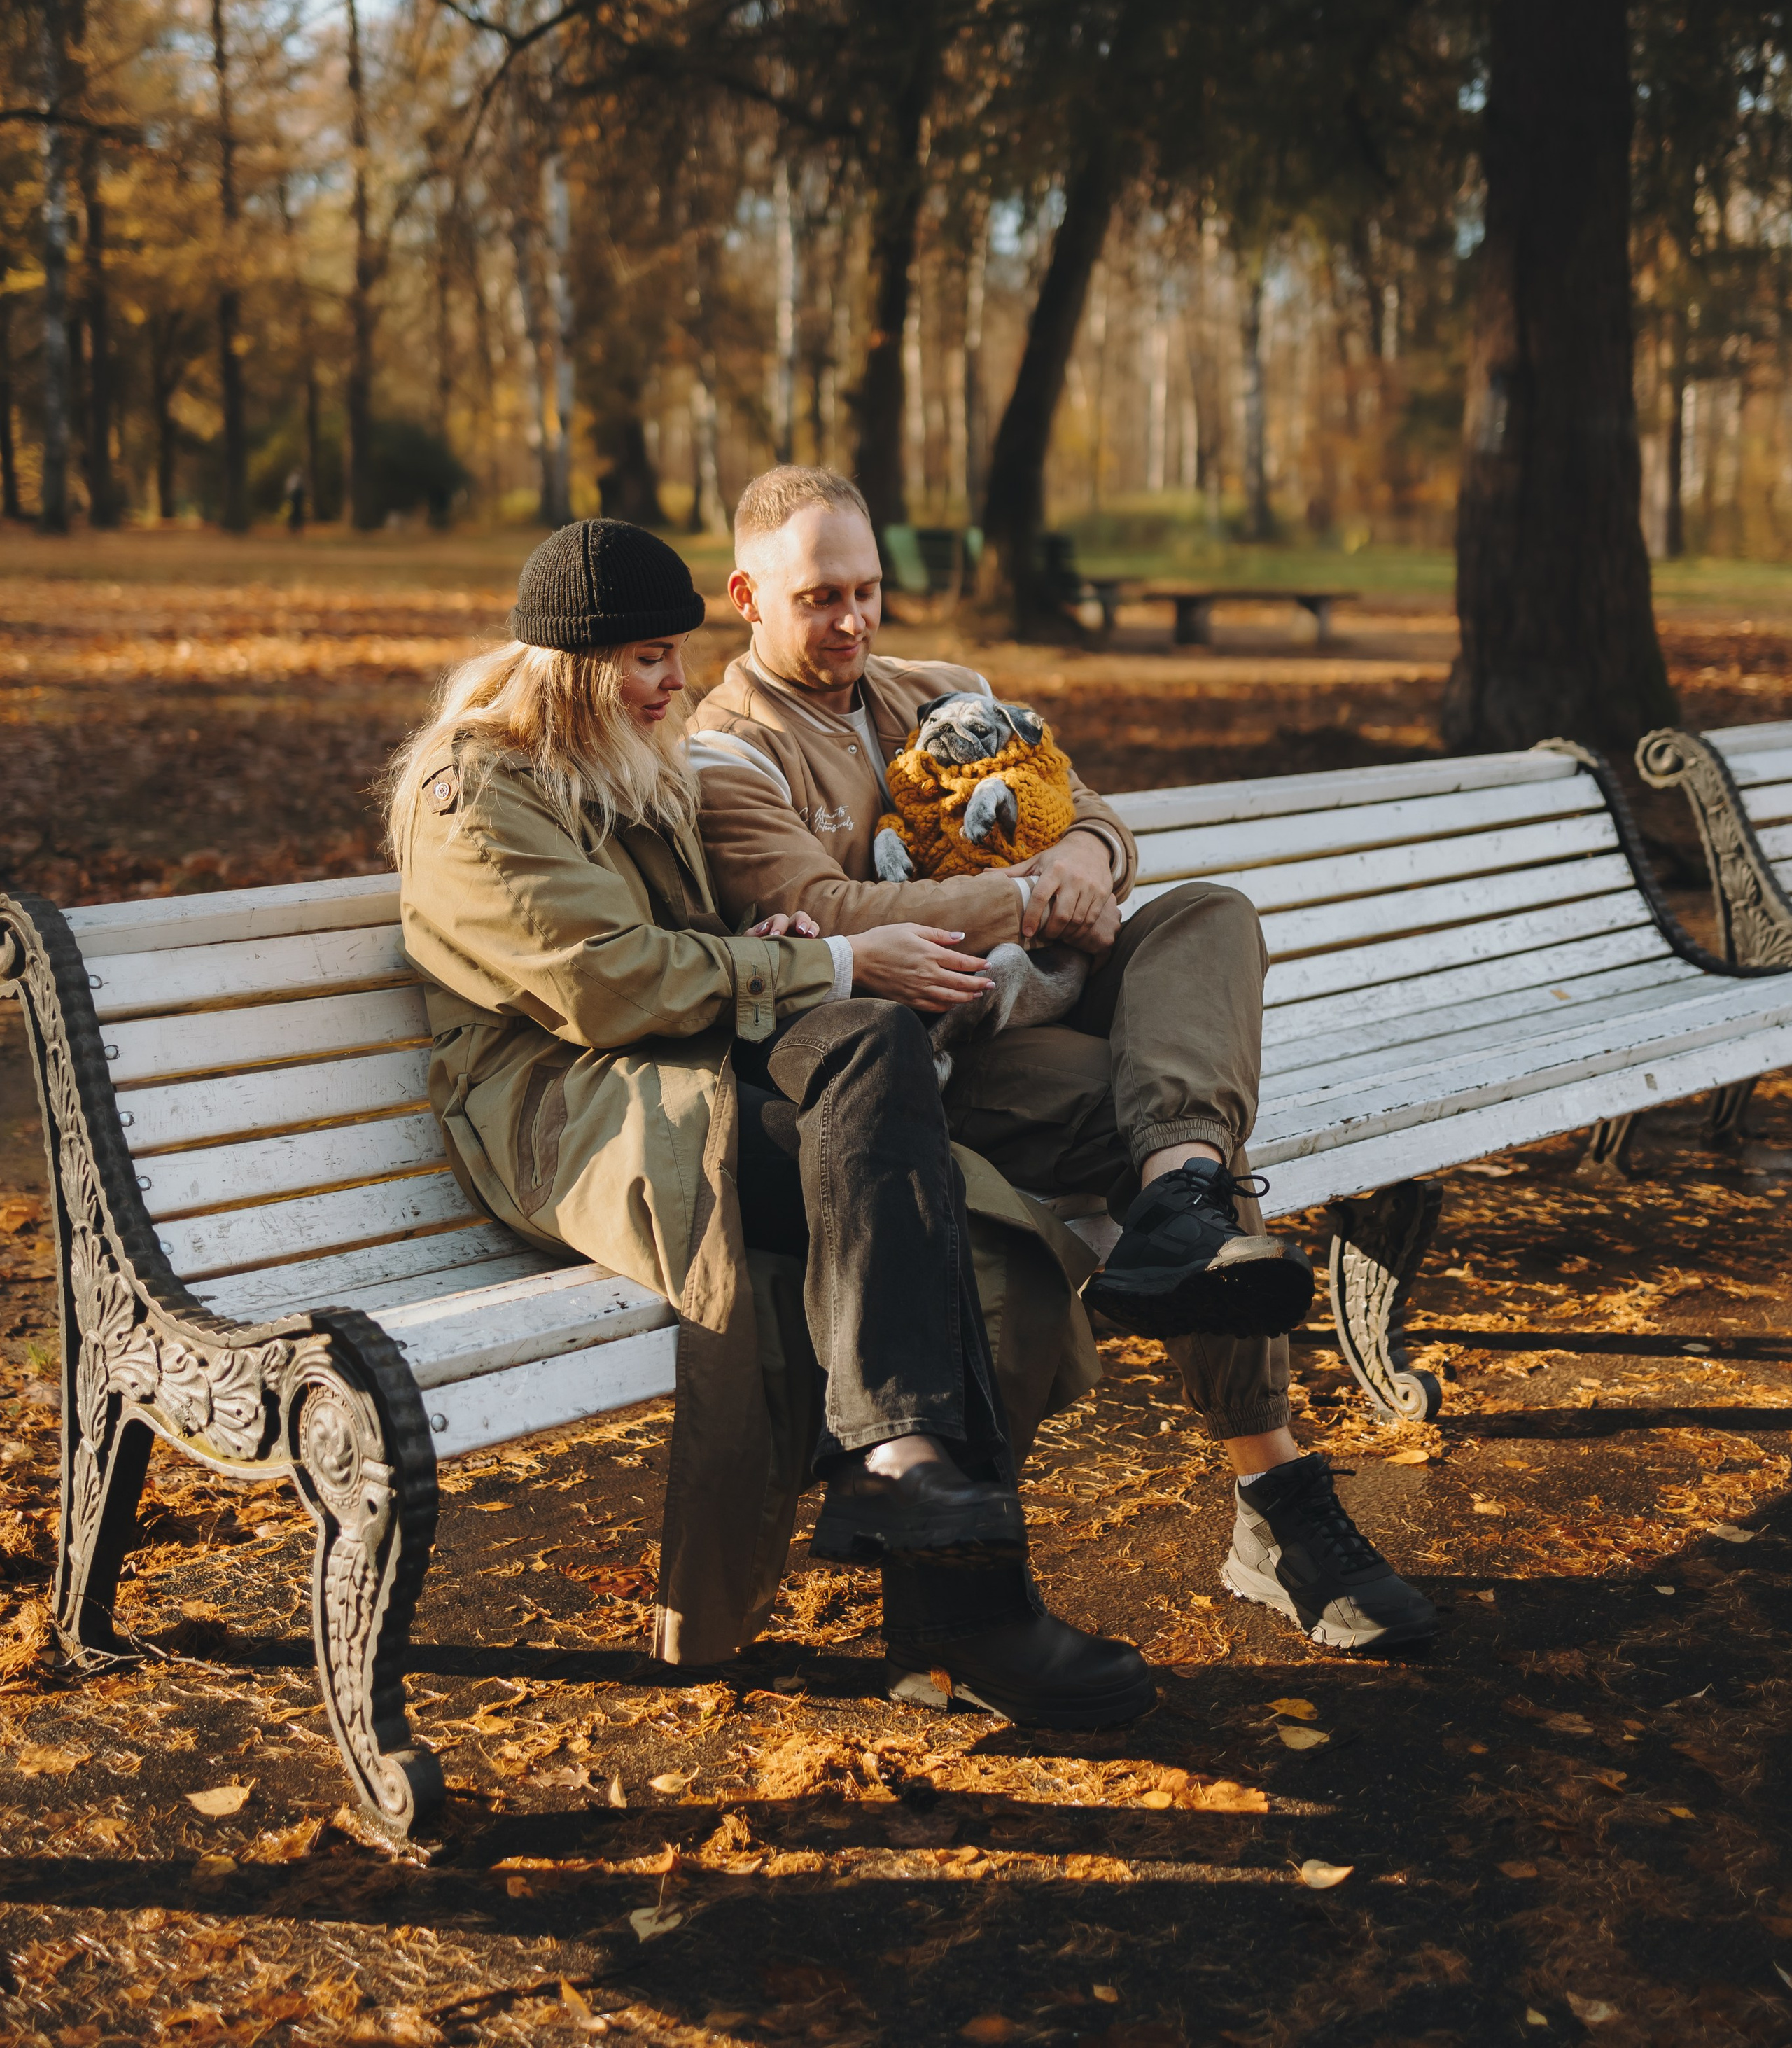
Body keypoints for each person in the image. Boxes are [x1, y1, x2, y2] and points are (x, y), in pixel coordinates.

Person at [391, 516, 1151, 1727]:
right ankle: (966, 1596)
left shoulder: (627, 753)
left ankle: (905, 1480)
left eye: (674, 655)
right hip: (569, 1119)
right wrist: (828, 958)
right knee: (941, 1197)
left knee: (881, 1054)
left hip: (683, 1070)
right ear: (569, 666)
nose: (670, 682)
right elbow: (603, 983)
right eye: (643, 658)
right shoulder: (477, 790)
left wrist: (776, 952)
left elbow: (680, 958)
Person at [689, 466, 1437, 1651]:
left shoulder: (948, 690)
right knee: (1170, 1125)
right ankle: (1277, 1497)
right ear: (746, 594)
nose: (854, 621)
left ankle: (1179, 1193)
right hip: (941, 1059)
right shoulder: (725, 756)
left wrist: (1086, 859)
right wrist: (1034, 894)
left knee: (1210, 915)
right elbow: (823, 907)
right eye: (821, 597)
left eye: (869, 591)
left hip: (1063, 993)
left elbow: (1095, 813)